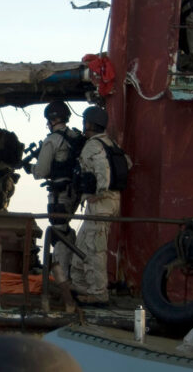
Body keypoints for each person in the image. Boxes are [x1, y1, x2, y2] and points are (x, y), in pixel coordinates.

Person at [26, 101, 84, 312]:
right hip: (74, 192)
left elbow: (40, 171)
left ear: (51, 119)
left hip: (59, 194)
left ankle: (61, 281)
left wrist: (29, 167)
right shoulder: (75, 137)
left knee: (58, 232)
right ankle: (69, 273)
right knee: (65, 230)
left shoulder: (52, 140)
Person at [69, 106, 129, 304]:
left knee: (95, 249)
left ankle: (98, 293)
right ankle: (81, 285)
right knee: (83, 243)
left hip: (100, 204)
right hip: (111, 202)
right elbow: (126, 163)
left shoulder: (93, 145)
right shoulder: (110, 143)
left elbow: (103, 170)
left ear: (88, 123)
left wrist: (99, 191)